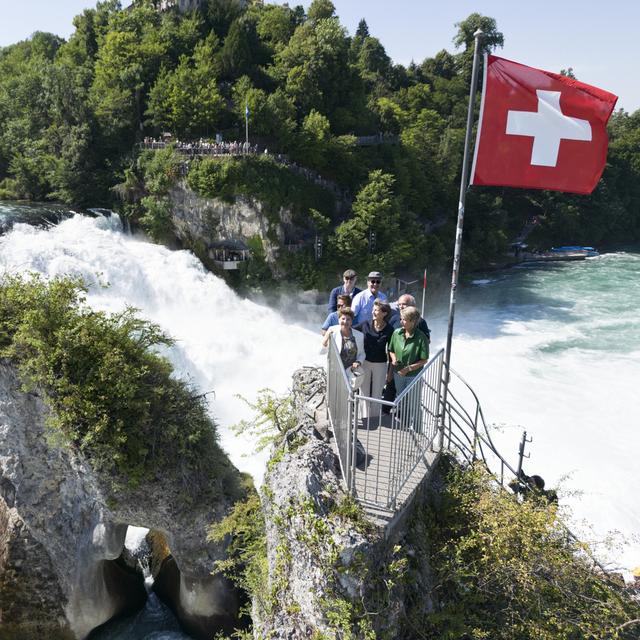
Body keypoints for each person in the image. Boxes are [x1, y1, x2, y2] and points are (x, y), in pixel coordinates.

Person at [355, 299, 394, 419]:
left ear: (384, 313)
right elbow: (350, 331)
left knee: (377, 393)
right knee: (363, 392)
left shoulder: (389, 330)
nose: (373, 312)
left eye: (376, 310)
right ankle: (364, 419)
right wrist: (333, 330)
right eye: (373, 309)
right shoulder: (365, 324)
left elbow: (391, 351)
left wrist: (390, 372)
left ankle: (375, 419)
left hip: (381, 364)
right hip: (365, 363)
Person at [387, 306, 430, 396]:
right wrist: (394, 359)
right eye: (401, 319)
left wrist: (408, 369)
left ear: (413, 321)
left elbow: (424, 360)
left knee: (412, 403)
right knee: (400, 399)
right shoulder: (396, 333)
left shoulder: (422, 338)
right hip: (398, 374)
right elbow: (391, 350)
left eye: (404, 320)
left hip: (413, 376)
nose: (401, 322)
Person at [321, 307, 364, 374]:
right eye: (343, 319)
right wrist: (326, 337)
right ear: (338, 320)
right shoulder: (332, 330)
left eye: (348, 319)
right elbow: (322, 349)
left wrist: (358, 362)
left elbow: (362, 354)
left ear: (352, 322)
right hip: (334, 370)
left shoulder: (359, 335)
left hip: (351, 371)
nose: (345, 321)